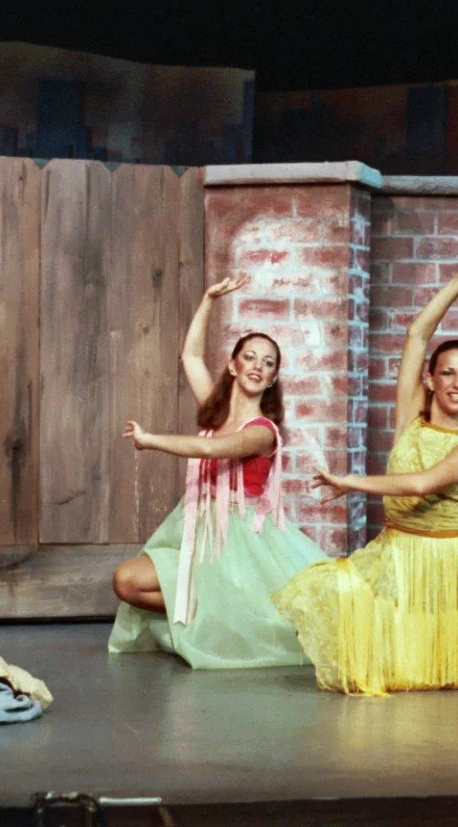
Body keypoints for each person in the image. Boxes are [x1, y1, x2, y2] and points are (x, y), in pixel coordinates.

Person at [273, 244, 458, 695]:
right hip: (398, 551)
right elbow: (417, 334)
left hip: (454, 561)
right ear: (430, 380)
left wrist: (348, 481)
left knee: (455, 668)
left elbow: (421, 483)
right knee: (325, 596)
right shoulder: (410, 419)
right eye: (449, 373)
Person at [108, 271, 326, 667]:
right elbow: (190, 356)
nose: (257, 366)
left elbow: (211, 447)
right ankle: (212, 615)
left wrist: (151, 439)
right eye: (250, 357)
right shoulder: (217, 407)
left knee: (280, 619)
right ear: (233, 365)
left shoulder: (263, 432)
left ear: (274, 377)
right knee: (126, 580)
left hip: (240, 541)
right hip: (198, 528)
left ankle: (229, 618)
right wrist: (209, 299)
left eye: (268, 363)